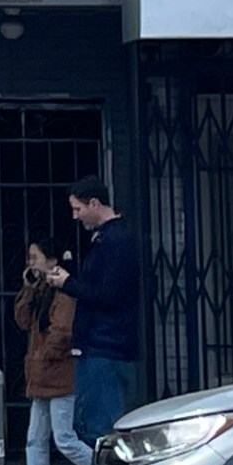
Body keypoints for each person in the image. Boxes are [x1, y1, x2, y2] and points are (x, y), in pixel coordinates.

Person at [62, 181, 141, 450]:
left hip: (105, 347)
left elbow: (107, 294)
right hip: (102, 346)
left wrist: (68, 283)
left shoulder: (116, 240)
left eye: (78, 208)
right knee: (96, 429)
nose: (76, 216)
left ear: (94, 203)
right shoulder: (111, 239)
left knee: (102, 432)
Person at [13, 243, 81, 465]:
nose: (30, 263)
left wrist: (44, 356)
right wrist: (28, 289)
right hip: (42, 376)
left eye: (35, 258)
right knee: (35, 439)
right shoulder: (42, 291)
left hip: (58, 373)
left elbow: (62, 332)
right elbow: (23, 320)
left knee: (64, 438)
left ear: (52, 260)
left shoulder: (63, 293)